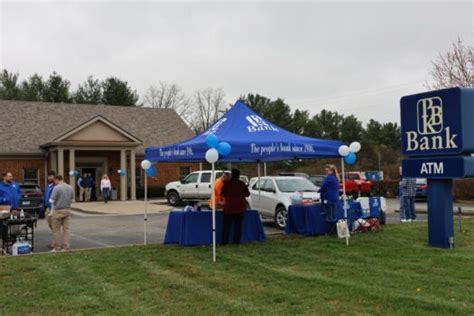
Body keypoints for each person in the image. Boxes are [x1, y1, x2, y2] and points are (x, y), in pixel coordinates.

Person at [220, 169, 250, 245]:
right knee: (238, 226)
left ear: (232, 175)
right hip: (240, 208)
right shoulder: (242, 184)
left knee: (226, 227)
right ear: (239, 175)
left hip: (229, 208)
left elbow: (222, 194)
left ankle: (224, 242)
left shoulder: (227, 184)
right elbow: (247, 194)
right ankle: (236, 242)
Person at [49, 175, 74, 252]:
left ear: (56, 180)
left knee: (56, 230)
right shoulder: (70, 187)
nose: (54, 183)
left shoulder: (56, 188)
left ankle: (57, 247)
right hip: (67, 210)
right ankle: (66, 247)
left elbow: (51, 200)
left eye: (54, 181)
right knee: (66, 230)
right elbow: (72, 199)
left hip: (58, 210)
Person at [43, 170, 56, 248]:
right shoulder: (47, 186)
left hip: (53, 209)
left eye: (51, 176)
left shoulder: (56, 186)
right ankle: (54, 241)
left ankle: (54, 243)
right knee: (51, 226)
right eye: (49, 176)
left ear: (54, 177)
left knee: (54, 226)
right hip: (47, 208)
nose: (50, 177)